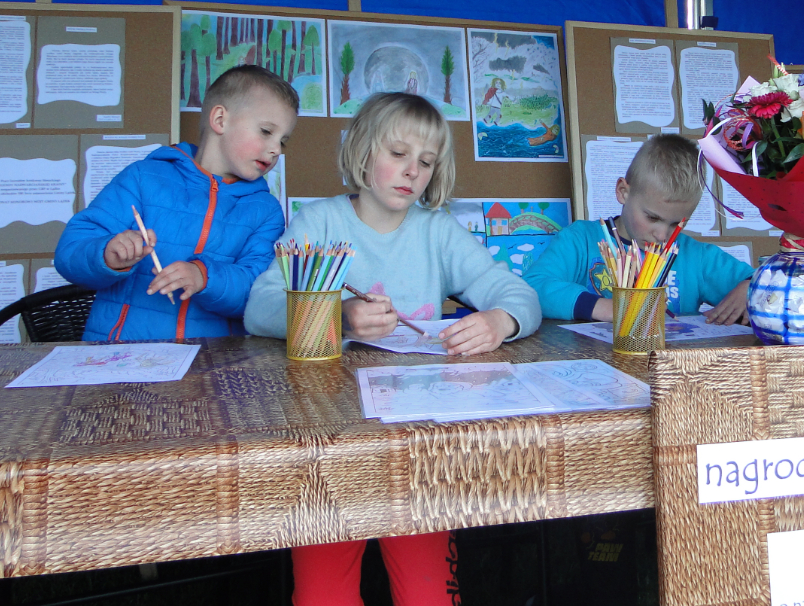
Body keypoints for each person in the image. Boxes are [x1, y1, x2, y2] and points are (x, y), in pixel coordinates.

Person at [244, 91, 541, 606]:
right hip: (328, 444)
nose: (412, 172)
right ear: (362, 153)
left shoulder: (437, 230)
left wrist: (501, 320)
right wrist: (337, 314)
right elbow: (259, 308)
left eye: (426, 162)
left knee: (429, 595)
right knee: (322, 597)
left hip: (417, 449)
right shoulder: (319, 222)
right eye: (398, 154)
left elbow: (520, 295)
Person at [55, 65, 297, 341]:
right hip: (121, 355)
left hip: (213, 360)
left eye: (283, 141)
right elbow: (69, 252)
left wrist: (204, 277)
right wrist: (107, 254)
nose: (275, 149)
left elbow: (259, 294)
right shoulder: (143, 178)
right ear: (220, 119)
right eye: (266, 131)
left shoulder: (266, 211)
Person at [523, 134, 753, 324]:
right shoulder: (580, 240)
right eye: (652, 217)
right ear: (623, 192)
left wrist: (751, 288)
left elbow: (766, 281)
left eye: (677, 224)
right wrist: (609, 309)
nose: (662, 235)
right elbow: (532, 288)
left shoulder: (696, 257)